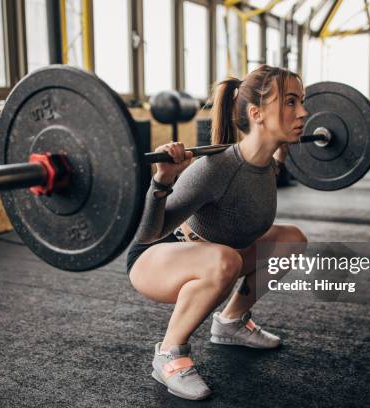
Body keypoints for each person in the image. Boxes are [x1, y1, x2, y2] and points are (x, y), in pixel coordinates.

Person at [127, 65, 308, 400]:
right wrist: (162, 180)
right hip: (154, 256)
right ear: (257, 113)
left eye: (302, 102)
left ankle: (231, 323)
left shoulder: (269, 160)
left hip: (217, 253)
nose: (303, 112)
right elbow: (147, 234)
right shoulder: (214, 168)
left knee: (291, 240)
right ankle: (168, 354)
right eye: (291, 102)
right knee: (225, 260)